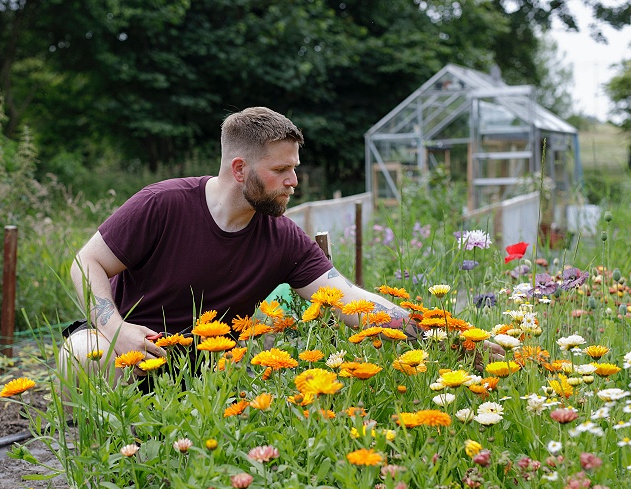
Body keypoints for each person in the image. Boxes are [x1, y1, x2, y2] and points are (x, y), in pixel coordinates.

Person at [61, 107, 494, 377]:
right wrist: (114, 328)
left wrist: (445, 336)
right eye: (281, 170)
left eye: (295, 167)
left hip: (212, 366)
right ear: (238, 169)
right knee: (82, 356)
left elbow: (346, 298)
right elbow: (84, 264)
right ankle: (105, 462)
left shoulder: (283, 238)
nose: (294, 181)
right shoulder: (164, 204)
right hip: (132, 346)